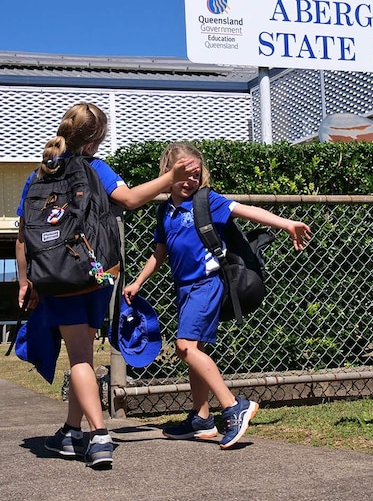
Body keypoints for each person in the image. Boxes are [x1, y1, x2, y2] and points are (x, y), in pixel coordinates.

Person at [15, 103, 200, 468]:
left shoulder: (39, 174)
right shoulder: (96, 168)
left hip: (55, 277)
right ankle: (83, 432)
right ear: (94, 141)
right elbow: (130, 200)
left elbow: (23, 236)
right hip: (99, 273)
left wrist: (25, 281)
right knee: (83, 352)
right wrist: (172, 177)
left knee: (79, 356)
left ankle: (89, 435)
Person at [122, 142, 312, 449]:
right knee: (192, 350)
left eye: (196, 175)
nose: (191, 181)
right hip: (184, 289)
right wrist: (138, 283)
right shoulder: (164, 211)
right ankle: (201, 419)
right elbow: (160, 253)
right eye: (184, 173)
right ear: (169, 173)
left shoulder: (207, 200)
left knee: (184, 347)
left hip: (207, 283)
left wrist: (287, 223)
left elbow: (246, 210)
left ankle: (233, 405)